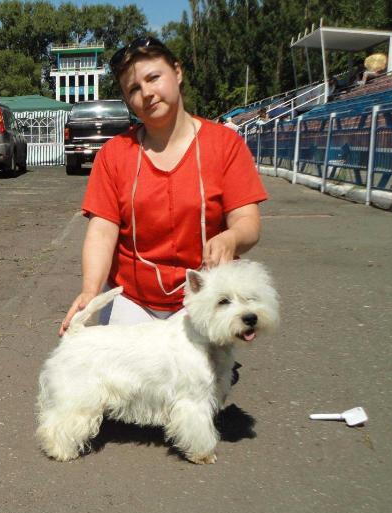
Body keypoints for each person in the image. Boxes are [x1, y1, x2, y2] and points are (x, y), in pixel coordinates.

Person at [60, 37, 267, 336]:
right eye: (133, 88)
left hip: (202, 298)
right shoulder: (113, 154)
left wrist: (231, 239)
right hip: (131, 299)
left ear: (177, 73)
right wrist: (90, 291)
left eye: (153, 77)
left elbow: (248, 222)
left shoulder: (225, 144)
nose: (146, 93)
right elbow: (102, 231)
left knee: (204, 381)